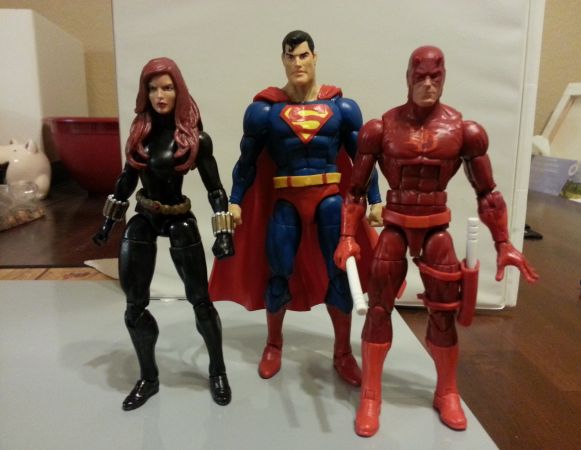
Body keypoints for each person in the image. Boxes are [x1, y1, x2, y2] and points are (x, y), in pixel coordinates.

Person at [334, 46, 539, 436]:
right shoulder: (380, 128)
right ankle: (372, 395)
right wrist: (347, 236)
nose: (428, 84)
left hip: (435, 229)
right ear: (408, 77)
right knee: (378, 310)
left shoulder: (464, 131)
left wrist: (504, 243)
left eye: (435, 77)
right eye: (421, 77)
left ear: (444, 78)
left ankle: (447, 391)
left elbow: (488, 193)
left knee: (443, 314)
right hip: (395, 225)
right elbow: (355, 191)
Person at [209, 30, 382, 386]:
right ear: (283, 60)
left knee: (339, 275)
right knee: (278, 274)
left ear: (315, 57)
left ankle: (342, 352)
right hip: (286, 199)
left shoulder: (341, 108)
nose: (297, 63)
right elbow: (246, 162)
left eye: (303, 55)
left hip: (330, 200)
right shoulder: (265, 111)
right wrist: (236, 201)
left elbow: (362, 160)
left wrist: (376, 200)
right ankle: (274, 343)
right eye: (291, 57)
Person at [93, 57, 234, 410]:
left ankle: (217, 370)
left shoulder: (194, 139)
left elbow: (215, 189)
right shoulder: (139, 137)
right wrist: (107, 224)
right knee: (133, 307)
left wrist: (224, 231)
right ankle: (149, 377)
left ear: (178, 91)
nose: (160, 95)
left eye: (167, 88)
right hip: (144, 216)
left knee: (201, 302)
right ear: (145, 92)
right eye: (153, 88)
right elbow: (126, 181)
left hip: (179, 217)